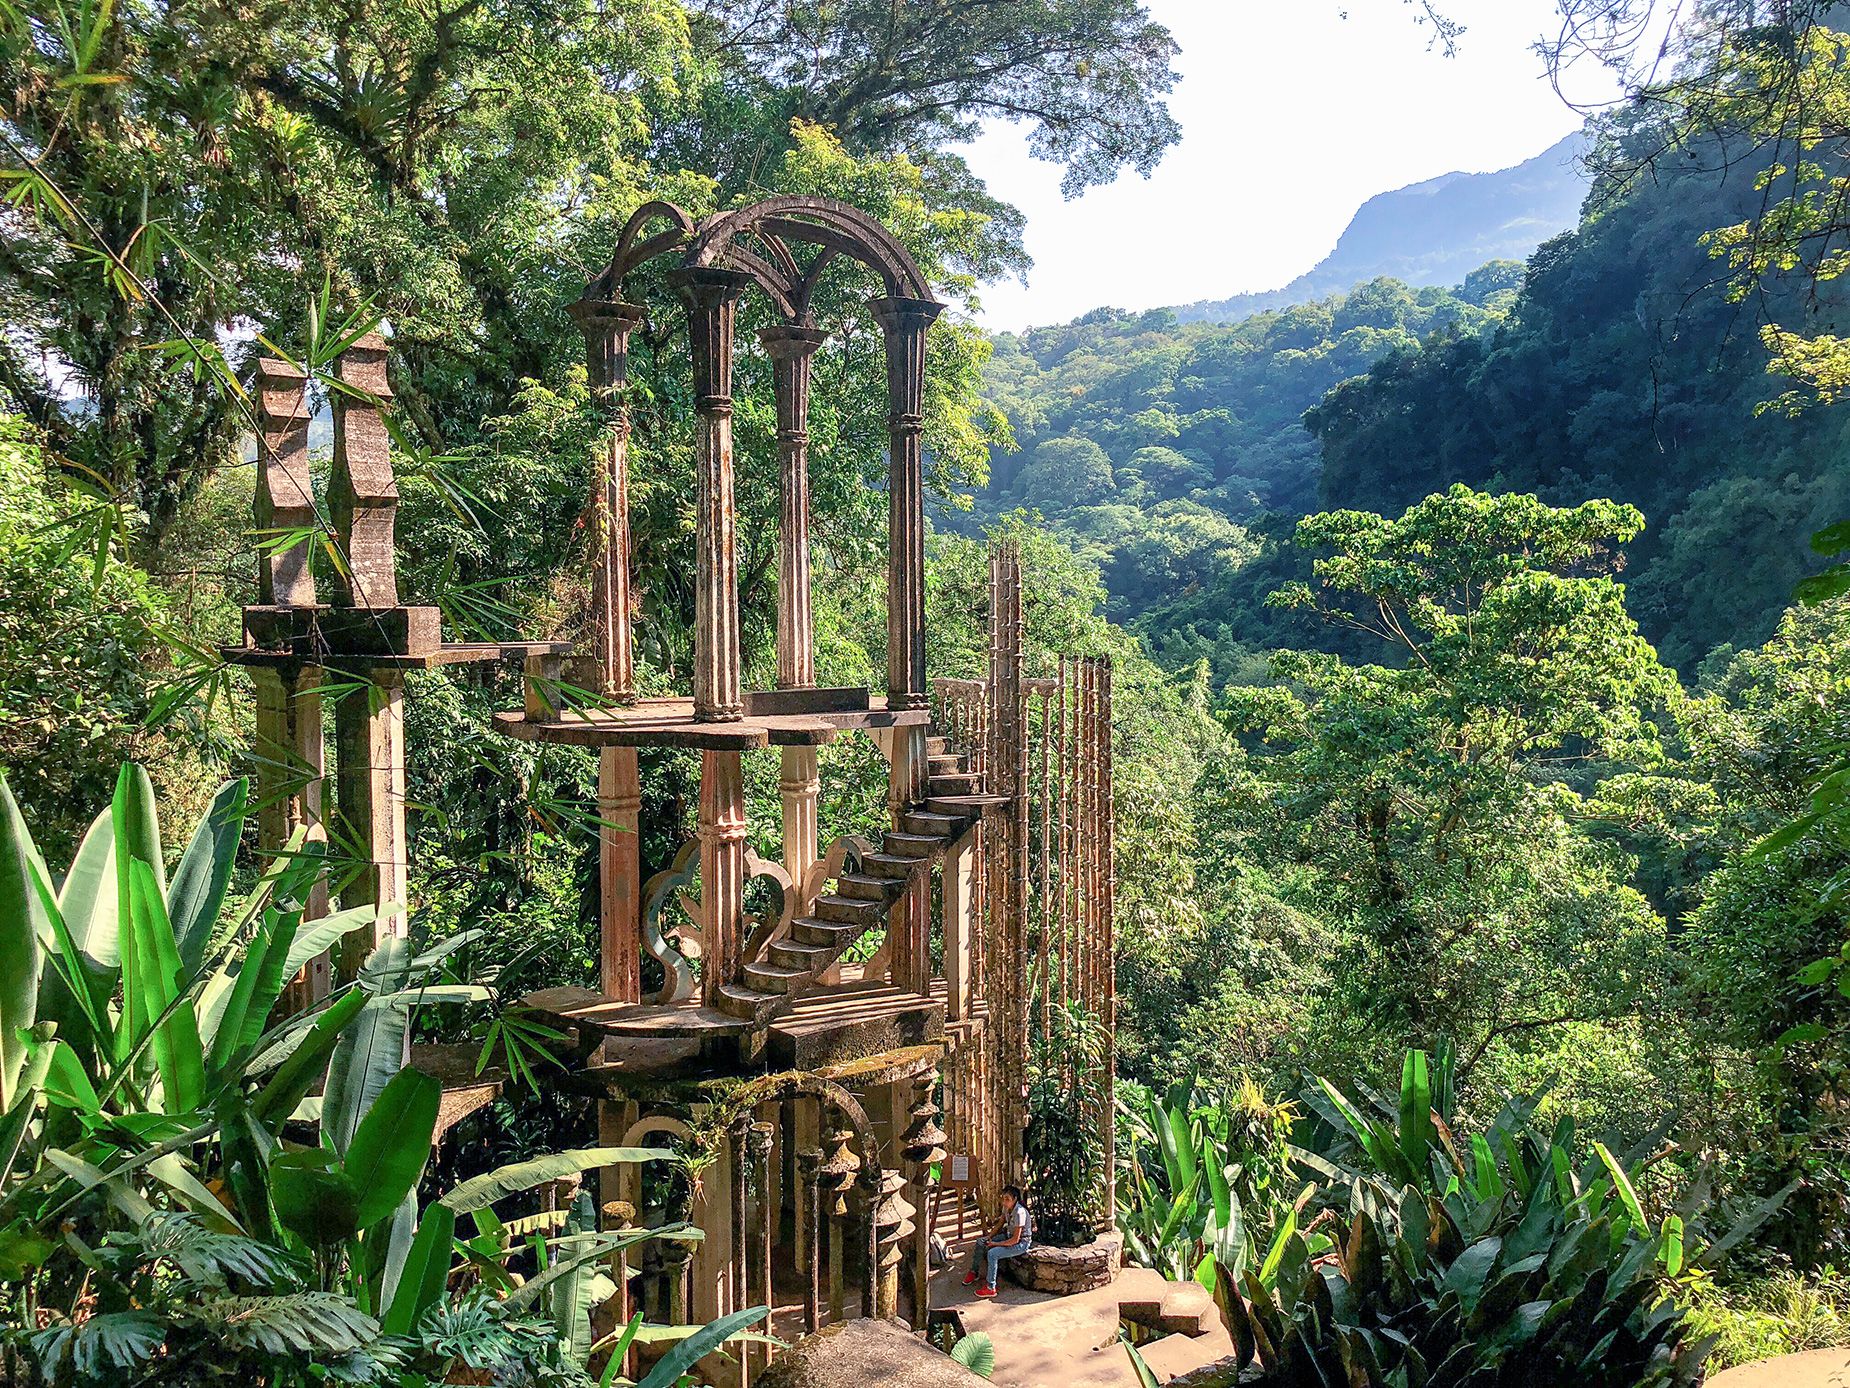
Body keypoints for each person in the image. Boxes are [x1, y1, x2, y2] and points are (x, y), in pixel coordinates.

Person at [962, 1185, 1032, 1297]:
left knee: (992, 1254)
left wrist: (995, 1244)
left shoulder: (1020, 1212)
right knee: (981, 1242)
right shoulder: (1007, 1208)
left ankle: (991, 1287)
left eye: (1007, 1199)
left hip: (1021, 1244)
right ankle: (974, 1272)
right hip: (1008, 1236)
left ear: (1015, 1199)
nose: (1004, 1202)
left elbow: (1015, 1240)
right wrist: (989, 1237)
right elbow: (1000, 1224)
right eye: (1003, 1198)